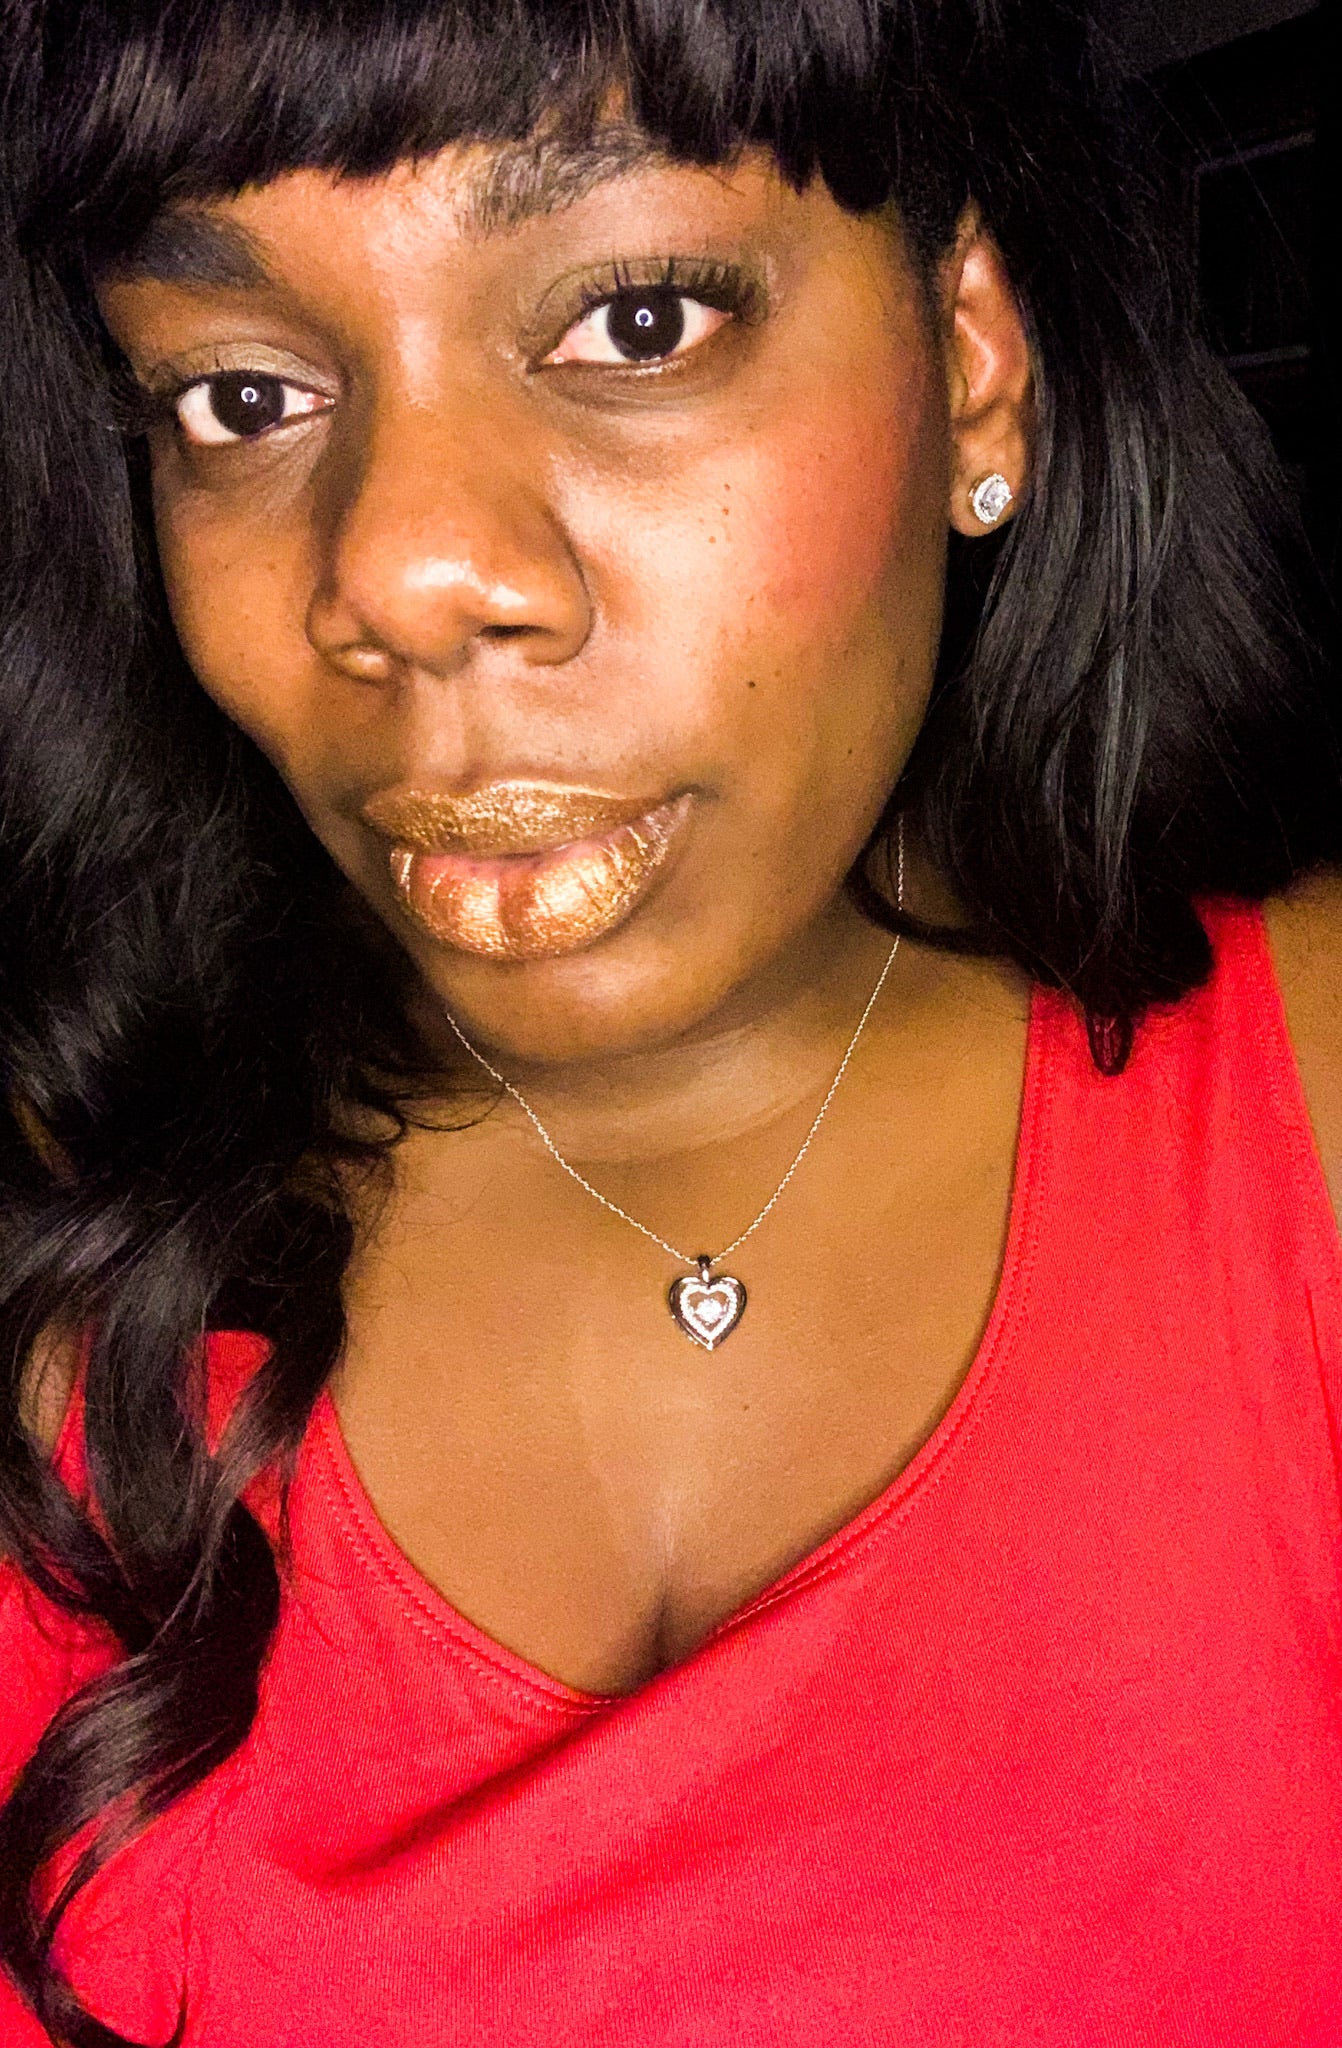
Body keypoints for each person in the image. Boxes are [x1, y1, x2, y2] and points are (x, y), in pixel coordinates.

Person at [1, 0, 1339, 2040]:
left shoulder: (1303, 1118)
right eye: (239, 395)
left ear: (970, 360)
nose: (400, 573)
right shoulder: (62, 1265)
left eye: (635, 322)